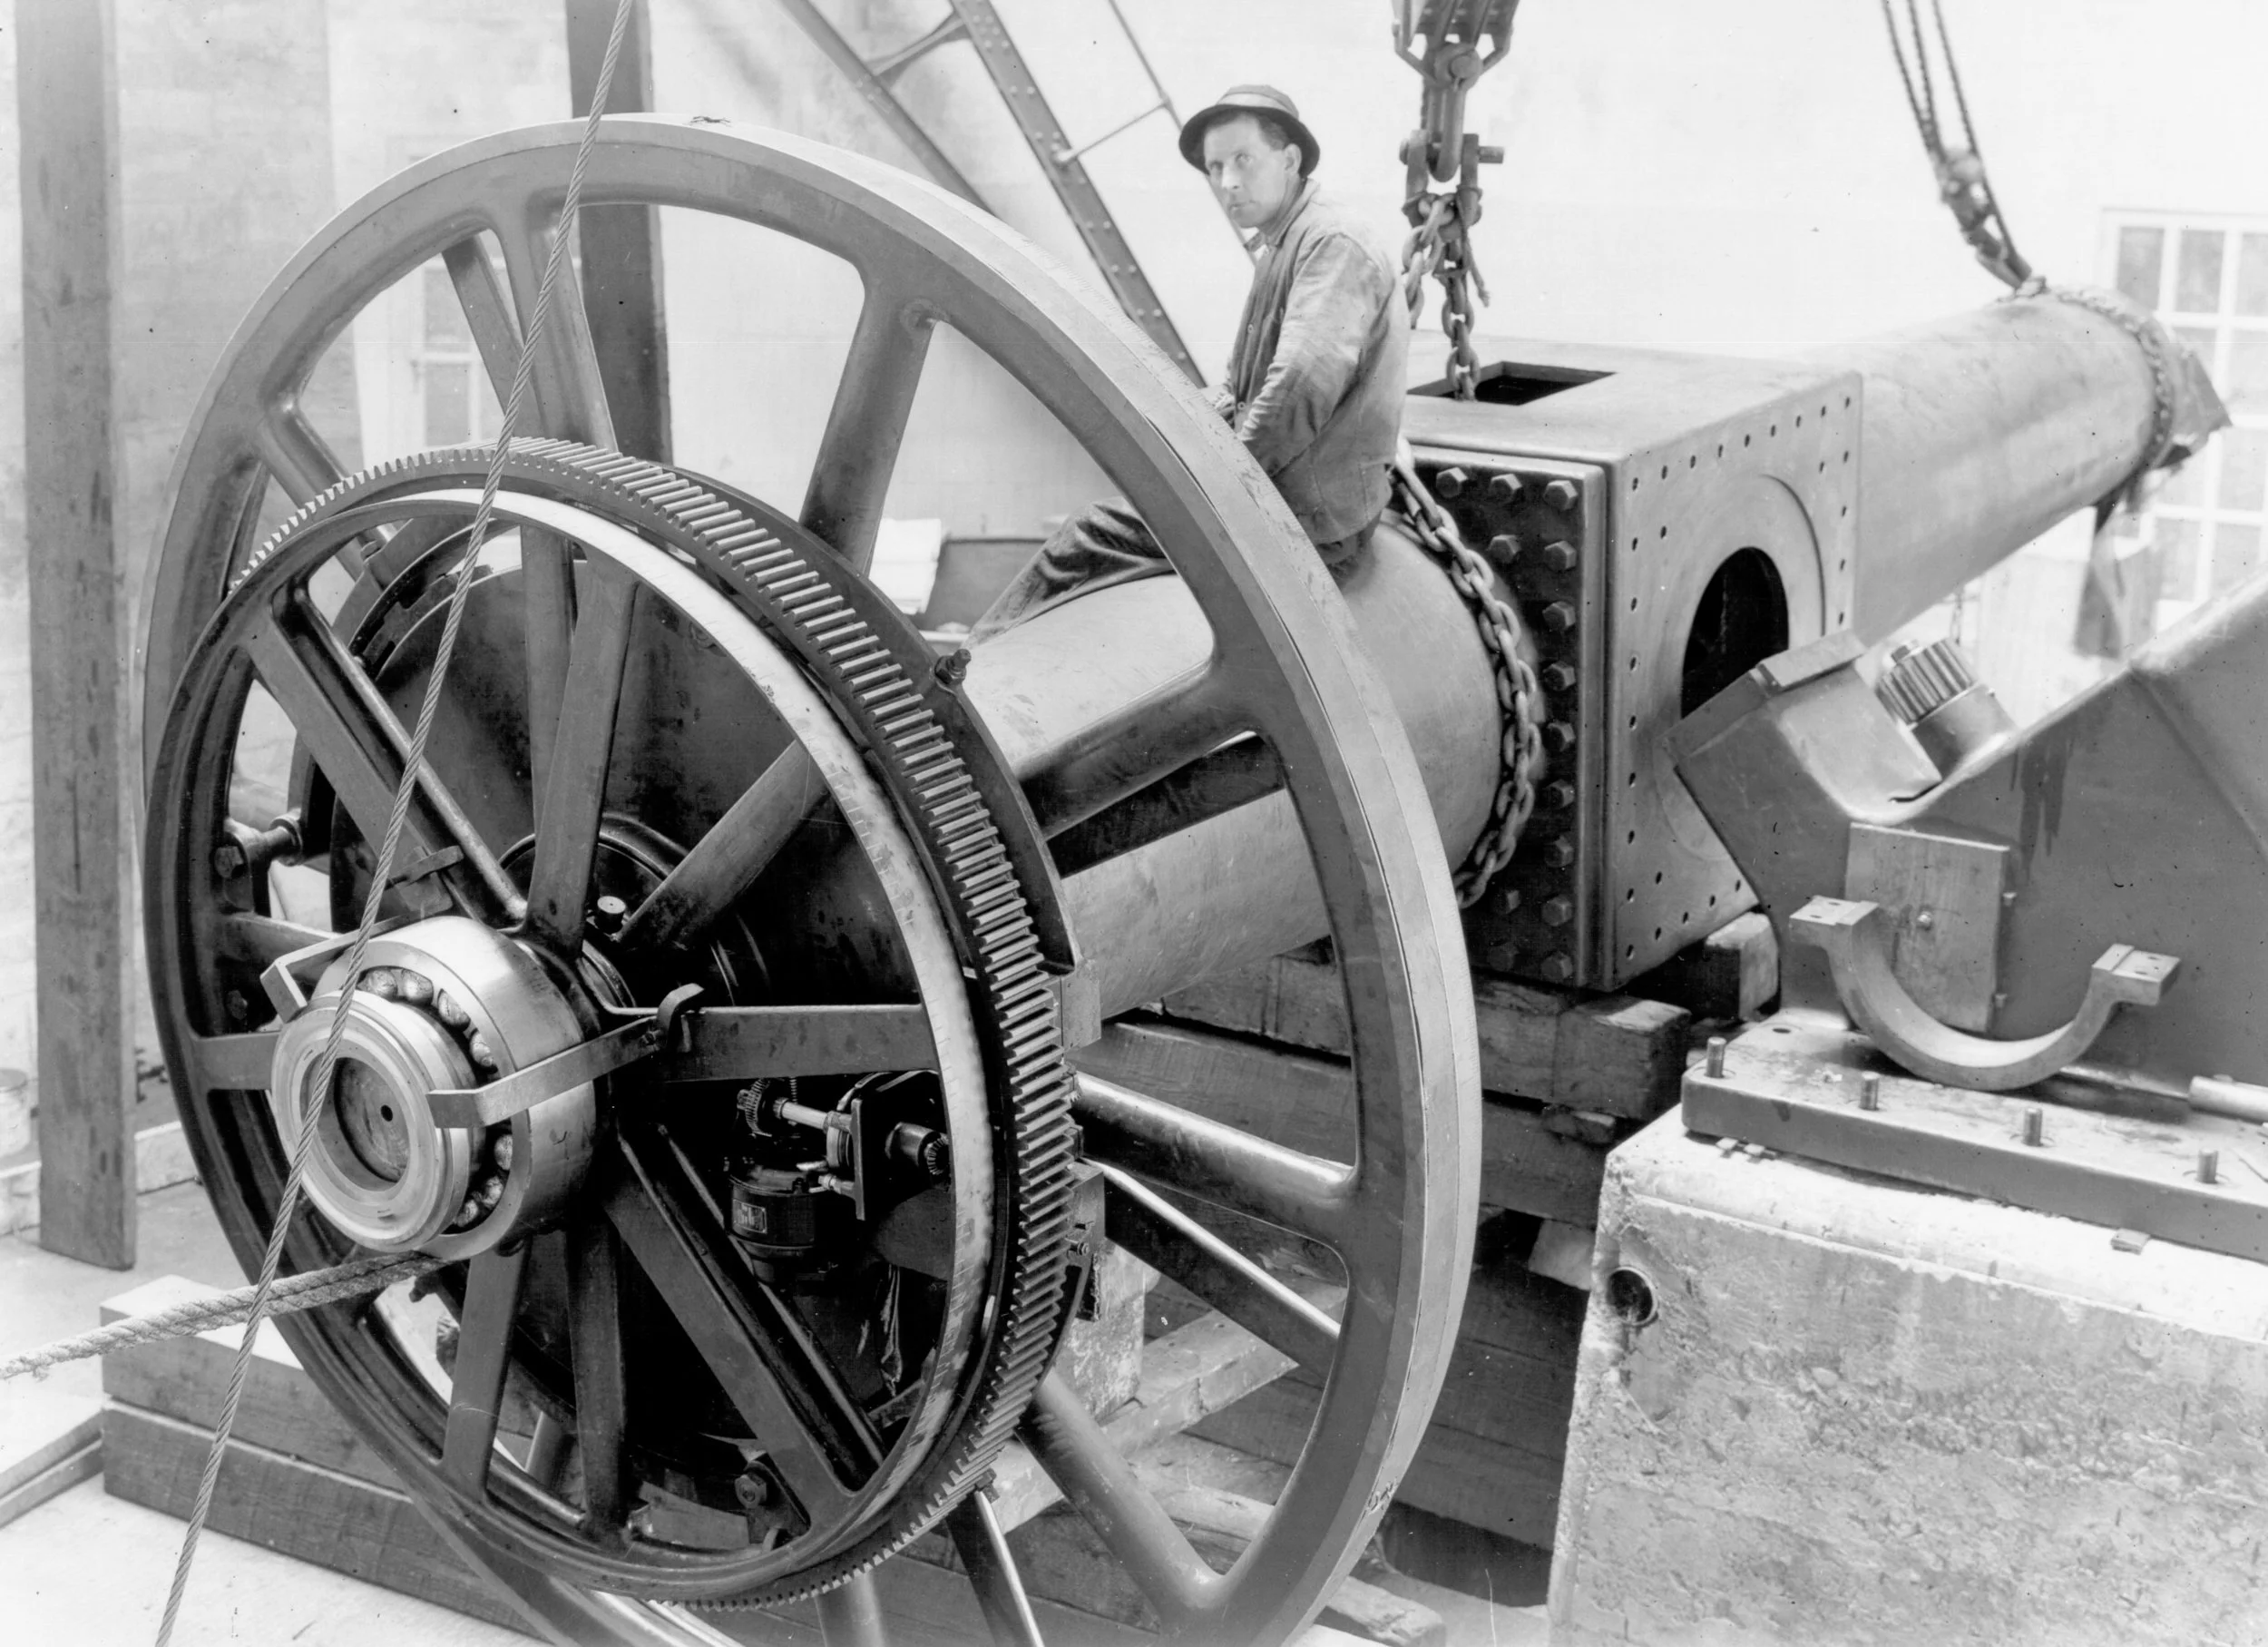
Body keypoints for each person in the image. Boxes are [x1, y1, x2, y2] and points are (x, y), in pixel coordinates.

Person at [970, 85, 1408, 640]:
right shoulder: (1287, 241)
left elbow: (1299, 386)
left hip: (1305, 528)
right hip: (1301, 505)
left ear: (1290, 159)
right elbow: (1241, 388)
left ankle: (968, 666)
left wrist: (1216, 490)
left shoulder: (1331, 243)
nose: (1227, 183)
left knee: (1084, 537)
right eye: (1215, 167)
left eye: (1243, 160)